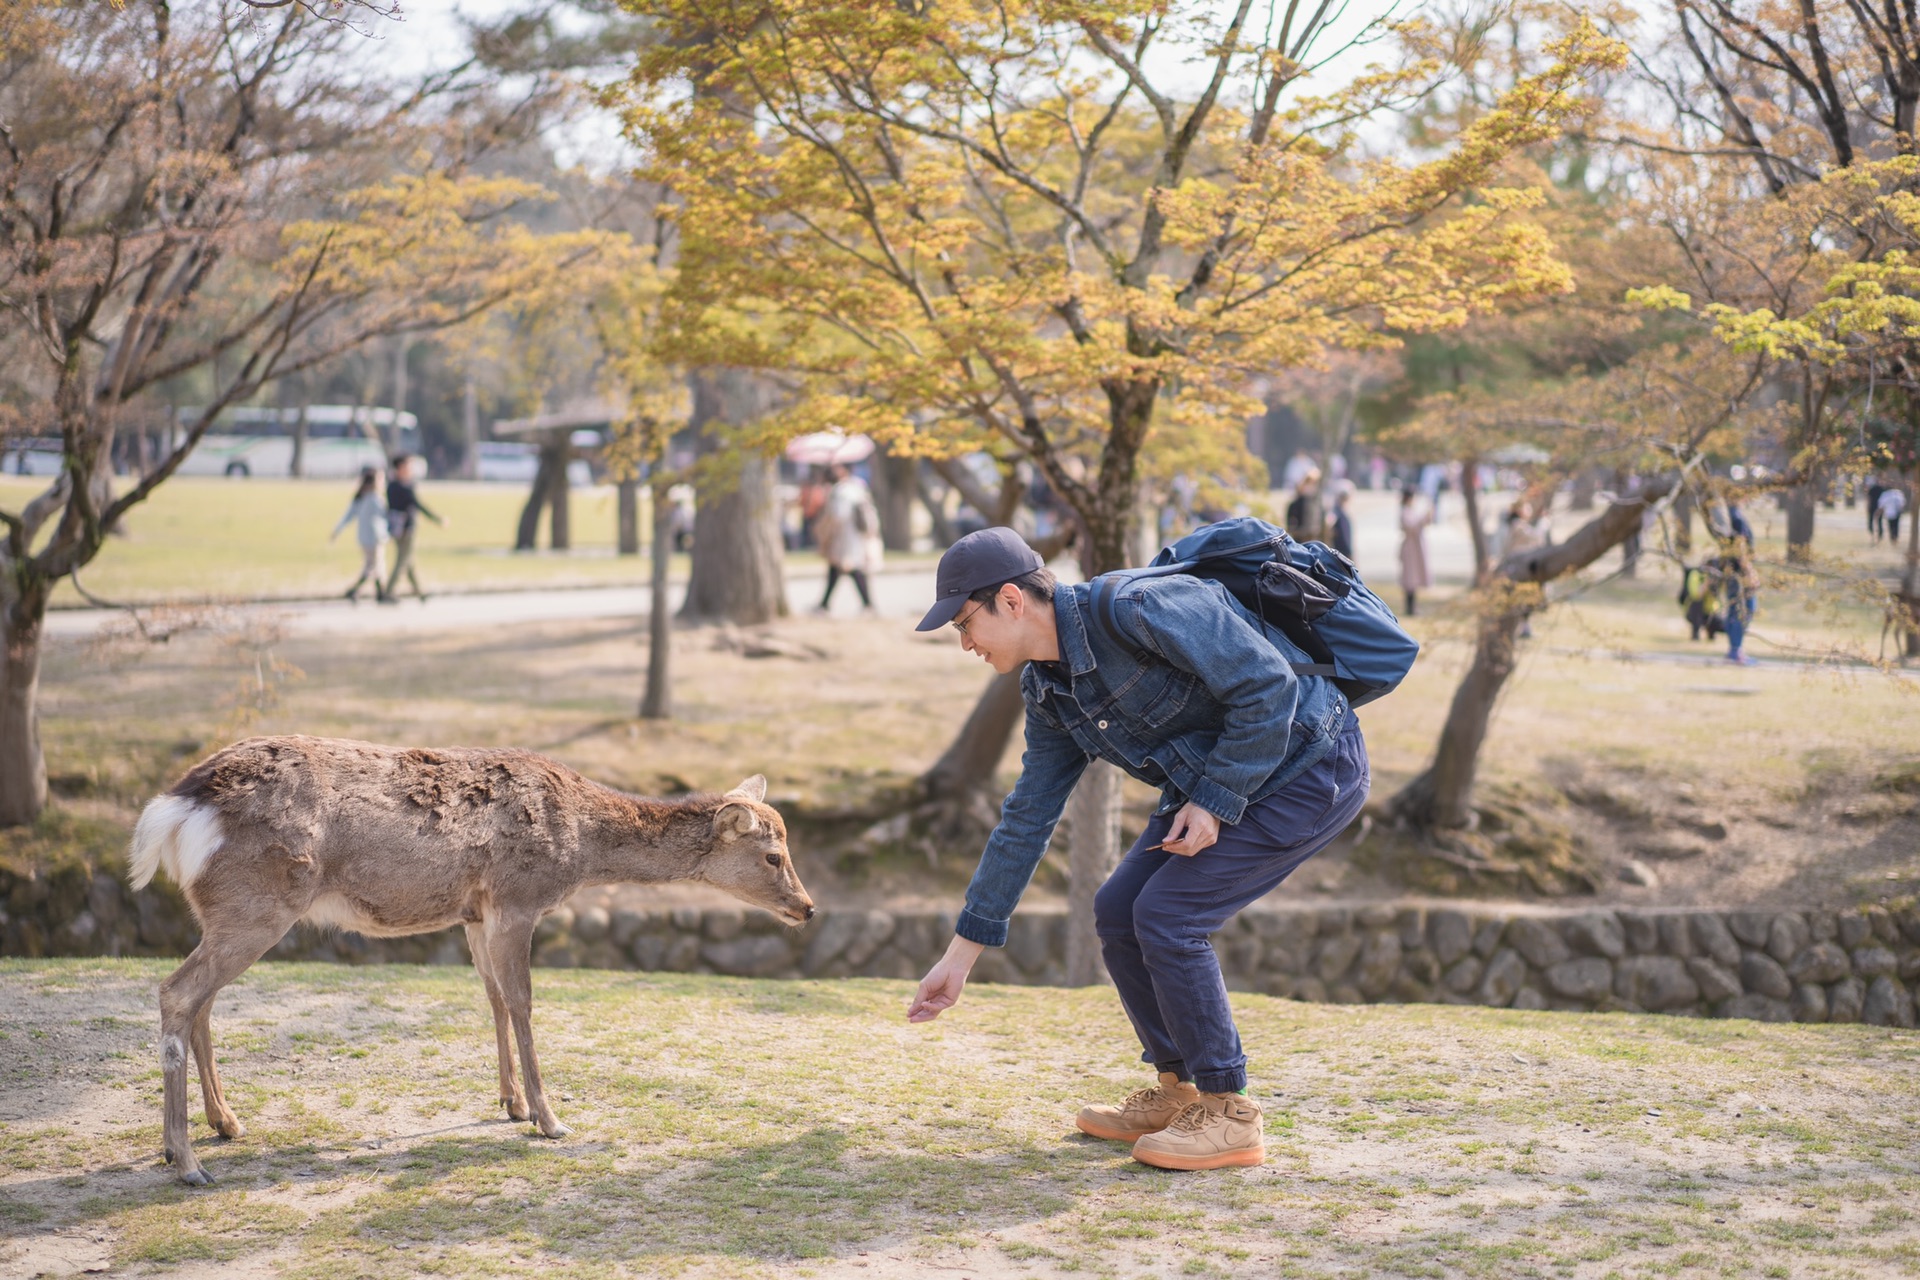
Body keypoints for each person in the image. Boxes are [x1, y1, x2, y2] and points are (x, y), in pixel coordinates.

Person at [905, 527, 1367, 1171]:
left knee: (1170, 916)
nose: (965, 644)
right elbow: (1026, 819)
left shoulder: (1140, 609)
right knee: (1119, 911)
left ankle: (1229, 1111)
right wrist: (961, 956)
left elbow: (1269, 688)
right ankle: (1179, 1093)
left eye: (964, 624)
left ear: (1011, 600)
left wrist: (1214, 800)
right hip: (1214, 782)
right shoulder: (1049, 691)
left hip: (1310, 765)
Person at [814, 462, 881, 613]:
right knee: (838, 569)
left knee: (851, 569)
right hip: (855, 536)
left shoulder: (842, 491)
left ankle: (868, 605)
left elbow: (839, 515)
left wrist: (827, 521)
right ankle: (825, 604)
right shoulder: (858, 486)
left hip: (845, 537)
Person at [381, 454, 445, 604]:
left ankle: (419, 592)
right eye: (408, 466)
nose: (410, 469)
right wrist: (437, 519)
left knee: (408, 562)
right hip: (406, 528)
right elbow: (418, 505)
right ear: (400, 467)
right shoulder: (403, 486)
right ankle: (388, 592)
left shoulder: (392, 485)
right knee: (403, 560)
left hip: (395, 527)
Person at [330, 466, 389, 604]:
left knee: (374, 565)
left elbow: (348, 516)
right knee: (373, 566)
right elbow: (383, 518)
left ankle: (380, 593)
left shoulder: (360, 498)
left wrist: (337, 530)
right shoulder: (376, 499)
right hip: (375, 539)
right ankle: (355, 590)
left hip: (363, 538)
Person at [1708, 542, 1758, 665]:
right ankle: (1736, 650)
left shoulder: (1726, 532)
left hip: (1733, 579)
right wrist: (1750, 572)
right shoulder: (1738, 532)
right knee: (1741, 615)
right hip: (1740, 582)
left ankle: (1734, 650)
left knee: (1734, 615)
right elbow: (1741, 557)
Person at [1398, 488, 1430, 616]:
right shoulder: (1405, 511)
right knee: (1409, 579)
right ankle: (1410, 608)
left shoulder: (1410, 511)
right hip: (1411, 548)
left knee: (1413, 579)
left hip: (1415, 547)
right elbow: (1411, 526)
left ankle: (1413, 607)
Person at [1284, 468, 1325, 543]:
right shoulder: (1295, 504)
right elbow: (1290, 527)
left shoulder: (1318, 505)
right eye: (1310, 483)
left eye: (1315, 483)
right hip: (1300, 542)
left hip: (1315, 541)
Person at [1327, 483, 1354, 561]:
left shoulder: (1342, 511)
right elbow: (1329, 523)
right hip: (1340, 551)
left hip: (1345, 551)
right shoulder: (1336, 511)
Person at [1867, 474, 1888, 540]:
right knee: (1877, 521)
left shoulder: (1879, 489)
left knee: (1877, 521)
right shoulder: (1882, 489)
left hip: (1877, 507)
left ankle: (1876, 535)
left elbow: (1869, 499)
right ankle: (1875, 535)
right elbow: (1869, 498)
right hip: (1877, 507)